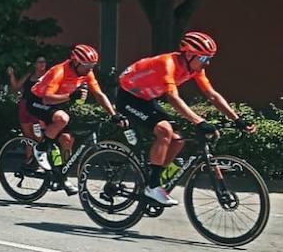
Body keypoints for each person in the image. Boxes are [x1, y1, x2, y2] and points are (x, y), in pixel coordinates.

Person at [116, 32, 254, 206]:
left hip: (147, 99)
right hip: (128, 98)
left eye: (209, 58)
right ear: (189, 54)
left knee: (178, 140)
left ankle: (154, 179)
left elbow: (212, 95)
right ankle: (153, 186)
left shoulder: (194, 69)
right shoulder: (167, 63)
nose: (207, 63)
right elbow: (173, 98)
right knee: (164, 130)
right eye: (204, 58)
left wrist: (236, 119)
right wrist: (199, 121)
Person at [25, 44, 120, 172]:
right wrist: (70, 96)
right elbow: (47, 99)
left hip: (57, 103)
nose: (89, 69)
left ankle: (61, 174)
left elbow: (99, 94)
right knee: (62, 118)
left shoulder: (87, 73)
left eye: (92, 66)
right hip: (37, 101)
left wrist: (113, 114)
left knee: (67, 140)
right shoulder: (59, 71)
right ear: (75, 62)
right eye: (86, 66)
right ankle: (40, 149)